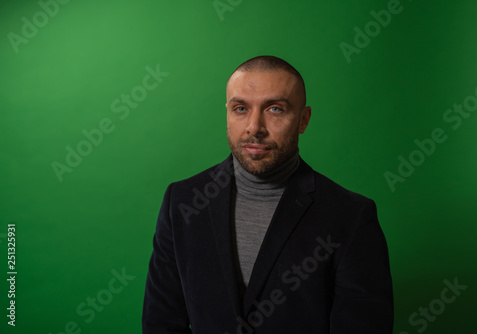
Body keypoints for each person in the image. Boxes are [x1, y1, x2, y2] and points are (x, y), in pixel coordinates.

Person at [142, 55, 393, 334]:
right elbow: (161, 323)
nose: (254, 127)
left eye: (274, 109)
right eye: (240, 108)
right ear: (227, 112)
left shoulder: (351, 216)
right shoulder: (181, 202)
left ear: (303, 120)